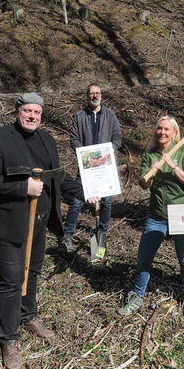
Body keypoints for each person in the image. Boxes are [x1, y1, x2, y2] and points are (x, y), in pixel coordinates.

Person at [0, 93, 95, 369]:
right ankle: (9, 338)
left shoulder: (46, 139)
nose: (32, 116)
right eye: (27, 111)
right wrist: (22, 189)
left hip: (40, 220)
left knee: (33, 271)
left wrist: (87, 191)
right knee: (11, 279)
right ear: (17, 111)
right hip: (11, 222)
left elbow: (58, 176)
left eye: (37, 112)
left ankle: (28, 314)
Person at [118, 115, 184, 319]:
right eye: (160, 128)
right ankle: (137, 296)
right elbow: (144, 184)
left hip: (182, 217)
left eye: (167, 129)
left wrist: (172, 165)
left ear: (174, 133)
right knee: (144, 258)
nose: (162, 132)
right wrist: (154, 168)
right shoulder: (150, 155)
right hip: (158, 216)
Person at [63, 83, 123, 251]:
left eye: (97, 93)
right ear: (87, 96)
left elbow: (117, 137)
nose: (94, 96)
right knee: (76, 201)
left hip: (105, 167)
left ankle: (101, 234)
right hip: (86, 167)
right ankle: (68, 235)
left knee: (107, 202)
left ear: (101, 95)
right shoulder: (80, 116)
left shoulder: (110, 115)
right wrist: (85, 156)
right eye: (91, 93)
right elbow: (74, 139)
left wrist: (109, 152)